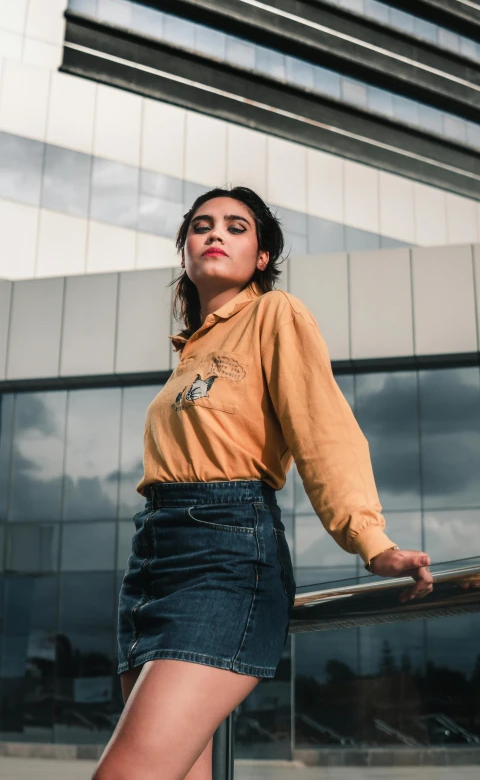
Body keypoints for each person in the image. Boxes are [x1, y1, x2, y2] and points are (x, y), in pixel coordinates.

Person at [92, 186, 433, 780]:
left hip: (223, 556)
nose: (215, 234)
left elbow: (323, 429)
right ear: (185, 253)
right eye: (201, 225)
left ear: (262, 257)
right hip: (151, 560)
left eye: (235, 226)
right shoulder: (189, 354)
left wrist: (370, 540)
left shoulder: (276, 315)